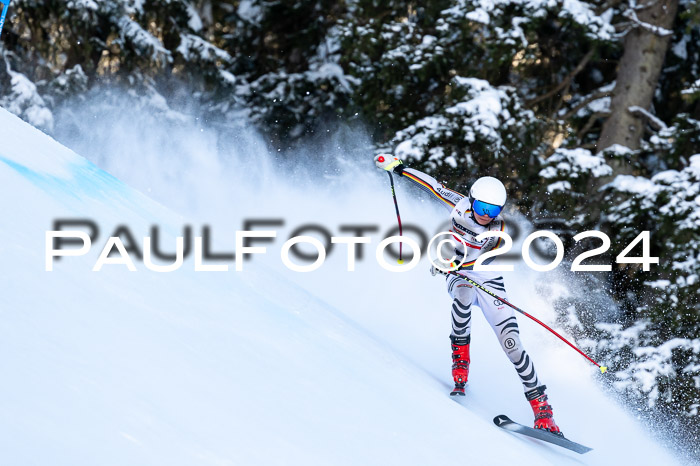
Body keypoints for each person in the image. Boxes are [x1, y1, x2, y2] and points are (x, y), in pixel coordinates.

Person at [374, 154, 562, 436]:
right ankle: (460, 362)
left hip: (488, 278)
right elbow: (432, 185)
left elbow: (482, 257)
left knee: (512, 344)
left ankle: (543, 410)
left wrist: (450, 263)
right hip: (460, 276)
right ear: (472, 200)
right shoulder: (459, 205)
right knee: (462, 295)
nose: (487, 213)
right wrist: (398, 167)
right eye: (483, 206)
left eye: (494, 209)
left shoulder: (498, 228)